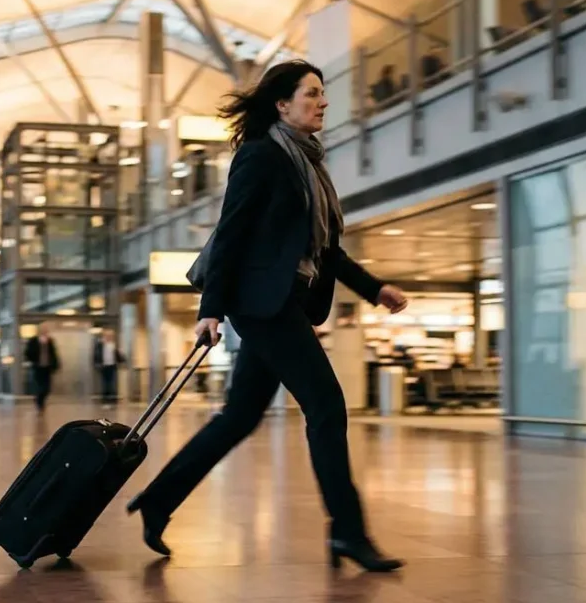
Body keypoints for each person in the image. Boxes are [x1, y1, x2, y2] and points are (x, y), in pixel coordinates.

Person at [124, 60, 410, 572]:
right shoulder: (260, 157)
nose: (323, 102)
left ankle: (158, 501)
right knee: (326, 404)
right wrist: (209, 310)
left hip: (283, 303)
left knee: (239, 416)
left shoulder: (309, 165)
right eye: (312, 94)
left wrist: (375, 288)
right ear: (282, 104)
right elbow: (230, 234)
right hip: (262, 307)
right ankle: (347, 532)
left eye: (323, 94)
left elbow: (327, 251)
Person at [23, 323, 59, 414]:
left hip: (47, 367)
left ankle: (40, 399)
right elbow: (28, 353)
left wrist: (56, 364)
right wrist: (34, 360)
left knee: (47, 388)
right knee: (39, 385)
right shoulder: (33, 340)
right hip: (37, 367)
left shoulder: (50, 341)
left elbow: (54, 354)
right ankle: (39, 403)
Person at [93, 329, 125, 406]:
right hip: (104, 366)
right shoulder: (100, 344)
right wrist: (97, 363)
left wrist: (121, 359)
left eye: (111, 335)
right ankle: (105, 400)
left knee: (112, 383)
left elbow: (119, 356)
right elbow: (96, 355)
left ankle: (112, 400)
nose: (109, 337)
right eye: (107, 335)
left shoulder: (114, 345)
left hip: (112, 366)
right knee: (105, 383)